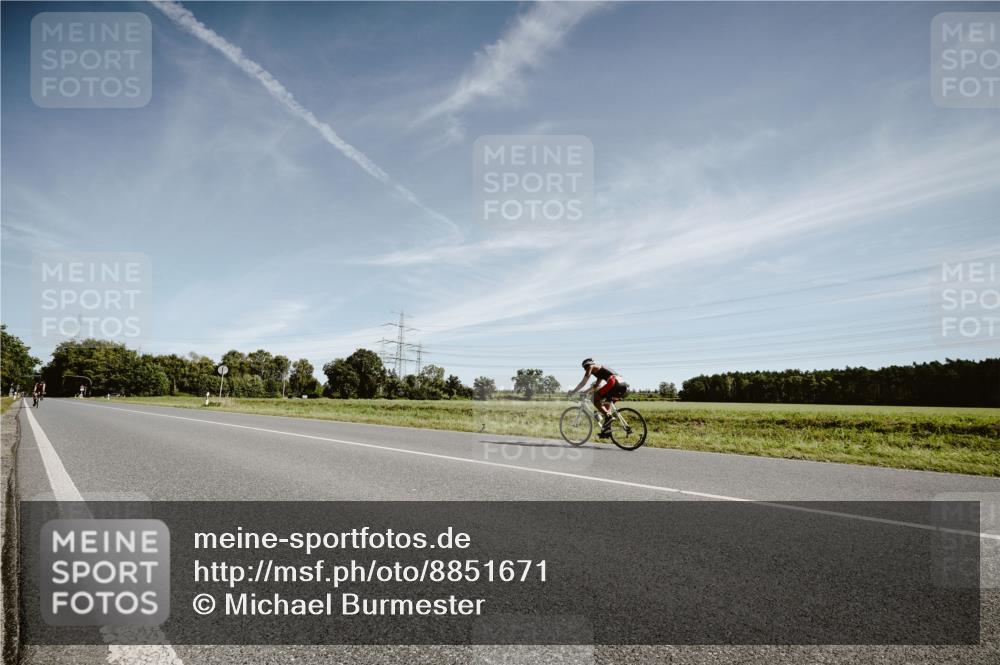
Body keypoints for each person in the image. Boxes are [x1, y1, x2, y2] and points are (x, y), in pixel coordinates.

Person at [569, 358, 626, 439]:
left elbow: (584, 382)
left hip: (613, 383)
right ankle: (606, 432)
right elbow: (596, 386)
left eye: (586, 367)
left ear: (589, 364)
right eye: (585, 368)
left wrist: (573, 391)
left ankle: (608, 417)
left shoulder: (591, 367)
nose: (586, 369)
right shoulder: (600, 371)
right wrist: (585, 392)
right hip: (622, 385)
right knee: (606, 411)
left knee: (594, 399)